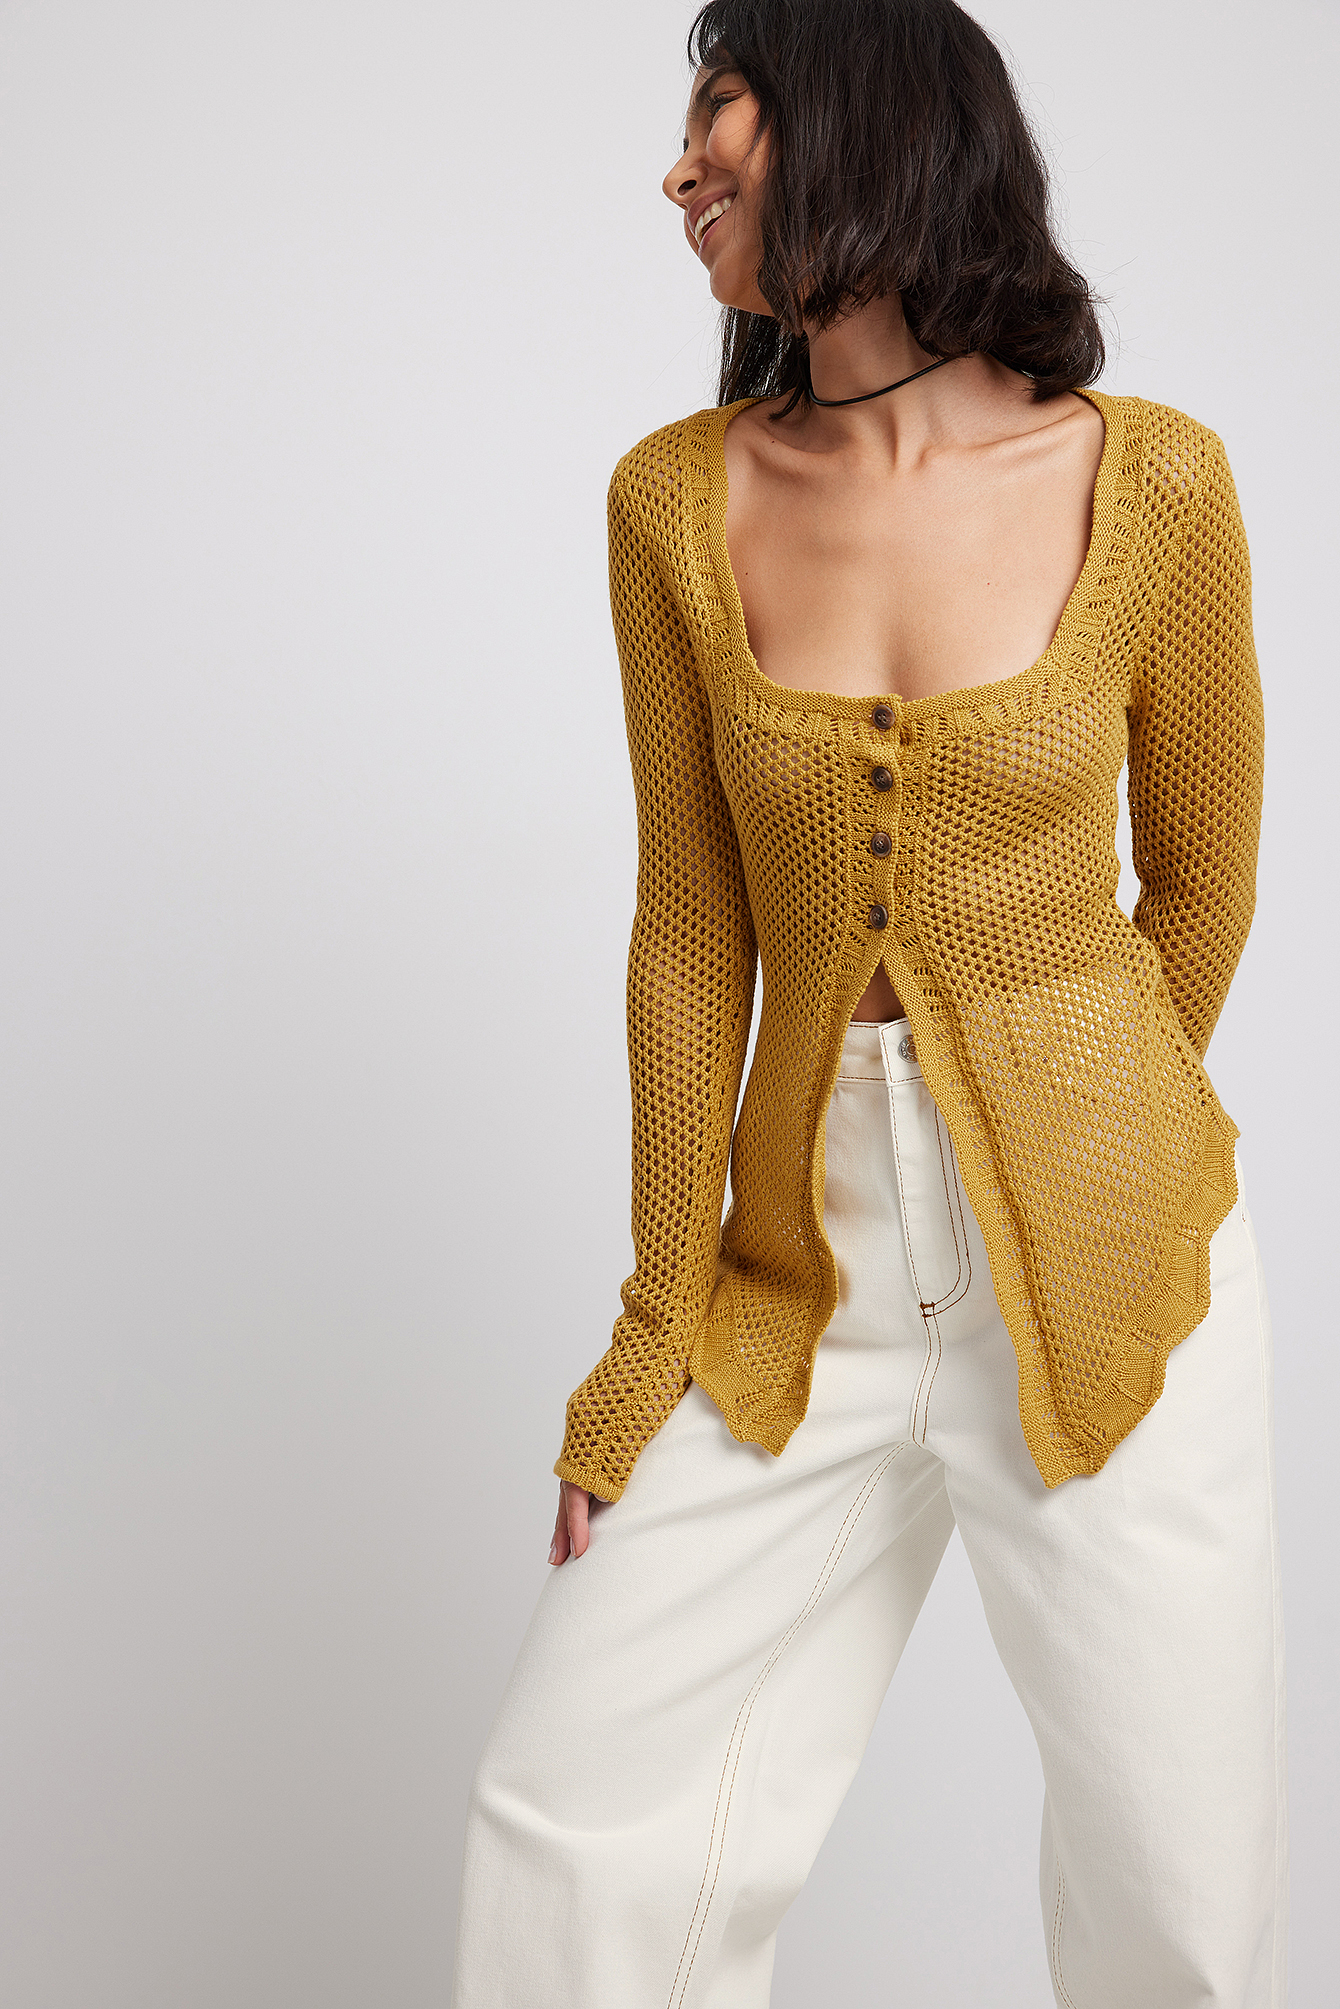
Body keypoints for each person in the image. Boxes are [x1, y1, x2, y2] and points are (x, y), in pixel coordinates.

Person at [451, 1, 1286, 2002]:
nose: (679, 167)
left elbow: (1203, 874)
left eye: (717, 104)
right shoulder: (675, 501)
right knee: (576, 1821)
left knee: (1174, 1887)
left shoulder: (1154, 482)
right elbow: (690, 937)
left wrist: (1089, 1146)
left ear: (864, 108)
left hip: (1109, 1265)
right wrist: (648, 1335)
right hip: (790, 1269)